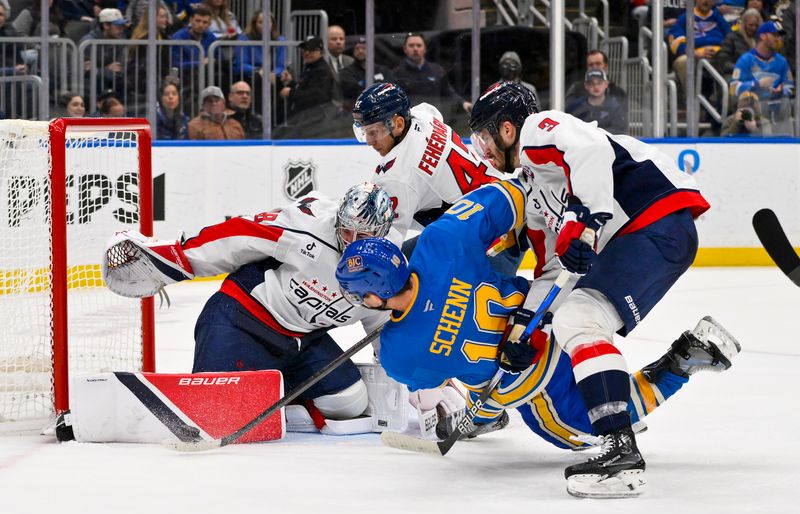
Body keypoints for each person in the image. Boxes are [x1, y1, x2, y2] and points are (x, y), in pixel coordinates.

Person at [335, 183, 739, 498]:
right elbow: (511, 194)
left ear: (375, 292)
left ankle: (681, 361)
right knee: (482, 381)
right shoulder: (441, 239)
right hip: (547, 312)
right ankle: (490, 412)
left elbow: (433, 381)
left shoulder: (397, 353)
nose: (359, 301)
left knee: (580, 430)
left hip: (532, 380)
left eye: (360, 294)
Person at [467, 82, 711, 496]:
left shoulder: (538, 130)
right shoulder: (534, 188)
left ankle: (620, 454)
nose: (484, 149)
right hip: (649, 235)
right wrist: (527, 330)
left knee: (579, 319)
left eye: (484, 137)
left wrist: (587, 221)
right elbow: (551, 271)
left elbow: (592, 149)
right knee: (574, 319)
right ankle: (619, 443)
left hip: (653, 218)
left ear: (507, 128)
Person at [103, 183, 397, 427]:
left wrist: (420, 379)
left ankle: (278, 399)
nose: (353, 242)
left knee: (348, 402)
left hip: (302, 341)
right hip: (241, 319)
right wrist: (176, 258)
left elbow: (383, 325)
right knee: (213, 412)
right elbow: (239, 236)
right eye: (347, 232)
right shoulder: (308, 229)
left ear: (382, 233)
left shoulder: (385, 265)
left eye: (365, 236)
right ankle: (260, 397)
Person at [351, 83, 521, 277]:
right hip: (503, 208)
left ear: (398, 124)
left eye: (374, 132)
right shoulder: (424, 116)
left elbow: (388, 243)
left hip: (489, 242)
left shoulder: (397, 177)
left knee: (412, 284)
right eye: (364, 132)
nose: (369, 140)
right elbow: (430, 114)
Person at [731, 20, 794, 131]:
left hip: (778, 106)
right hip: (754, 107)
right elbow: (733, 88)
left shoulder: (782, 61)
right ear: (763, 36)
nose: (778, 39)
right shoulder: (746, 60)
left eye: (779, 36)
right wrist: (757, 84)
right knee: (743, 113)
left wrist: (782, 91)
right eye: (774, 35)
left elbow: (790, 87)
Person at [391, 33, 471, 120]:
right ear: (405, 49)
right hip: (410, 124)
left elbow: (448, 92)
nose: (415, 48)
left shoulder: (437, 70)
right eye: (411, 45)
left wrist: (463, 103)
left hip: (434, 122)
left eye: (419, 45)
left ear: (425, 48)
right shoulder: (396, 74)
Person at [668, 0, 731, 91]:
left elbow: (731, 40)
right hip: (694, 56)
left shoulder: (720, 19)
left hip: (718, 57)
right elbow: (675, 42)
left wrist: (721, 53)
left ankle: (724, 103)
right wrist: (694, 53)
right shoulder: (684, 18)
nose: (705, 1)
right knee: (683, 61)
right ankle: (690, 101)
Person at [279, 35, 338, 128]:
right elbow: (305, 89)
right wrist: (291, 82)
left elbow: (315, 96)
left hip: (315, 121)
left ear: (321, 52)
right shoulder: (310, 67)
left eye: (311, 50)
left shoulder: (321, 70)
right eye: (305, 49)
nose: (307, 53)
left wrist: (290, 93)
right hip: (307, 118)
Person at [565, 69, 628, 134]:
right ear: (586, 85)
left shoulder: (615, 108)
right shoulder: (575, 106)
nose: (596, 86)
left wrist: (594, 134)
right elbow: (569, 129)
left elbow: (619, 132)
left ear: (606, 84)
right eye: (591, 83)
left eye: (599, 82)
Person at [339, 37, 393, 111]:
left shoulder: (384, 71)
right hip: (355, 113)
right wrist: (375, 83)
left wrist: (362, 84)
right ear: (353, 51)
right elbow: (352, 91)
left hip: (381, 111)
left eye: (364, 48)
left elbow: (390, 89)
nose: (360, 51)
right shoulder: (346, 72)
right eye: (357, 48)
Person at [717, 8, 763, 79]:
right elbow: (724, 63)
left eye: (756, 25)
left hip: (759, 75)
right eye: (751, 25)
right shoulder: (731, 38)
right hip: (736, 75)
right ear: (744, 24)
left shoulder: (761, 40)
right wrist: (741, 68)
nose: (754, 28)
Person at [170, 5, 217, 71]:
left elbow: (219, 58)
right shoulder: (178, 37)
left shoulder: (211, 37)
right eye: (198, 21)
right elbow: (175, 64)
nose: (201, 25)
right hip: (186, 74)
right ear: (191, 20)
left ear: (209, 24)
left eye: (205, 22)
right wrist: (199, 63)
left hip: (206, 73)